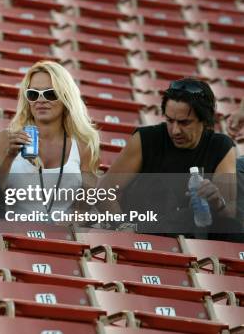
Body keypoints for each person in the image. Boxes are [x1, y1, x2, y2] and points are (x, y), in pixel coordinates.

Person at [99, 78, 238, 237]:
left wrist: (217, 202)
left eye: (184, 123)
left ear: (205, 121)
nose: (175, 130)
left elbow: (229, 215)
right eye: (170, 121)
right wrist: (123, 226)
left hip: (191, 236)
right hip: (142, 228)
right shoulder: (146, 139)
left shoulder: (221, 147)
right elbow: (104, 192)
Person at [0, 60, 101, 216]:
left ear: (65, 98)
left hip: (63, 236)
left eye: (50, 94)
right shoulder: (8, 138)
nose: (41, 100)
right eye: (33, 94)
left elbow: (86, 202)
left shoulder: (83, 144)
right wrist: (9, 157)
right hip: (14, 234)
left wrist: (72, 223)